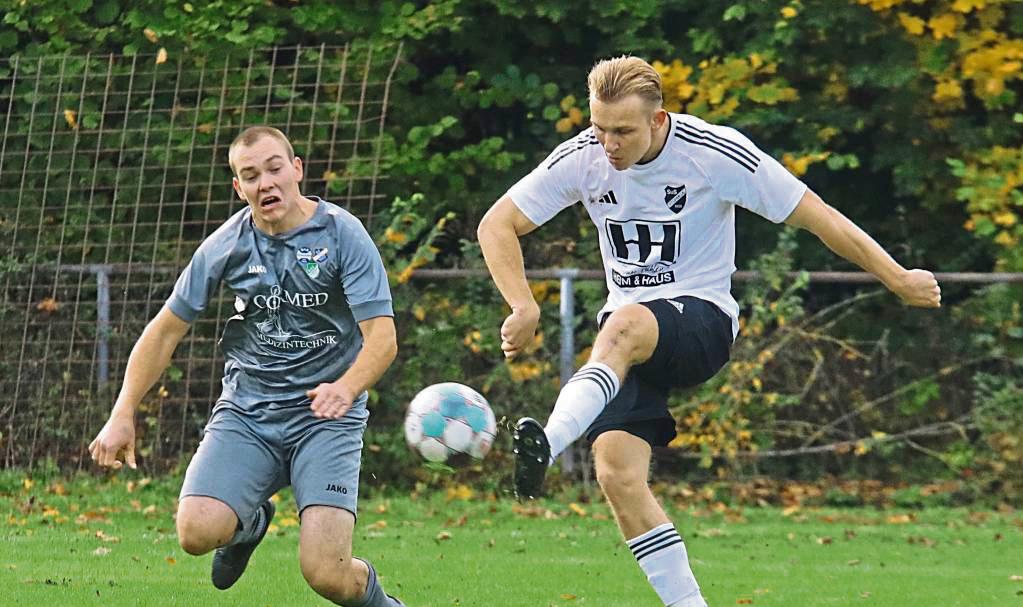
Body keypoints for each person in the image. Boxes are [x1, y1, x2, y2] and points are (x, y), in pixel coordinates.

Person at [477, 56, 941, 607]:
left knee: (623, 323)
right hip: (626, 340)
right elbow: (497, 222)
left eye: (622, 131)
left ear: (657, 119)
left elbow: (819, 215)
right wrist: (522, 304)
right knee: (618, 472)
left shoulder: (714, 152)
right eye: (599, 129)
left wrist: (898, 277)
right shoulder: (584, 157)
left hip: (701, 322)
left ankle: (547, 446)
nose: (608, 144)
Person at [89, 126, 406, 607]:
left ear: (296, 169)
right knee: (195, 532)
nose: (266, 183)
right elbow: (164, 330)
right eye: (251, 175)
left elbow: (382, 337)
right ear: (239, 187)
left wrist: (346, 386)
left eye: (275, 168)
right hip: (248, 413)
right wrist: (122, 411)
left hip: (325, 419)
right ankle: (250, 524)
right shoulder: (226, 245)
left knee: (327, 575)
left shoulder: (343, 235)